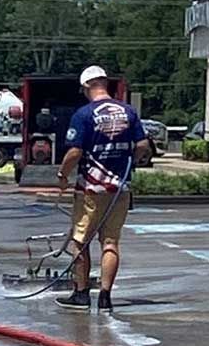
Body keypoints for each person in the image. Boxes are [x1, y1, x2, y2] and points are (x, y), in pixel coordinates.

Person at [59, 65, 151, 310]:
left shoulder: (84, 114)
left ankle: (81, 294)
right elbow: (142, 145)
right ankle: (105, 297)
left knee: (80, 242)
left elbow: (75, 151)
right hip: (119, 189)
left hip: (91, 188)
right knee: (110, 242)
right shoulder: (129, 112)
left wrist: (62, 174)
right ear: (105, 83)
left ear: (87, 87)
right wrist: (129, 161)